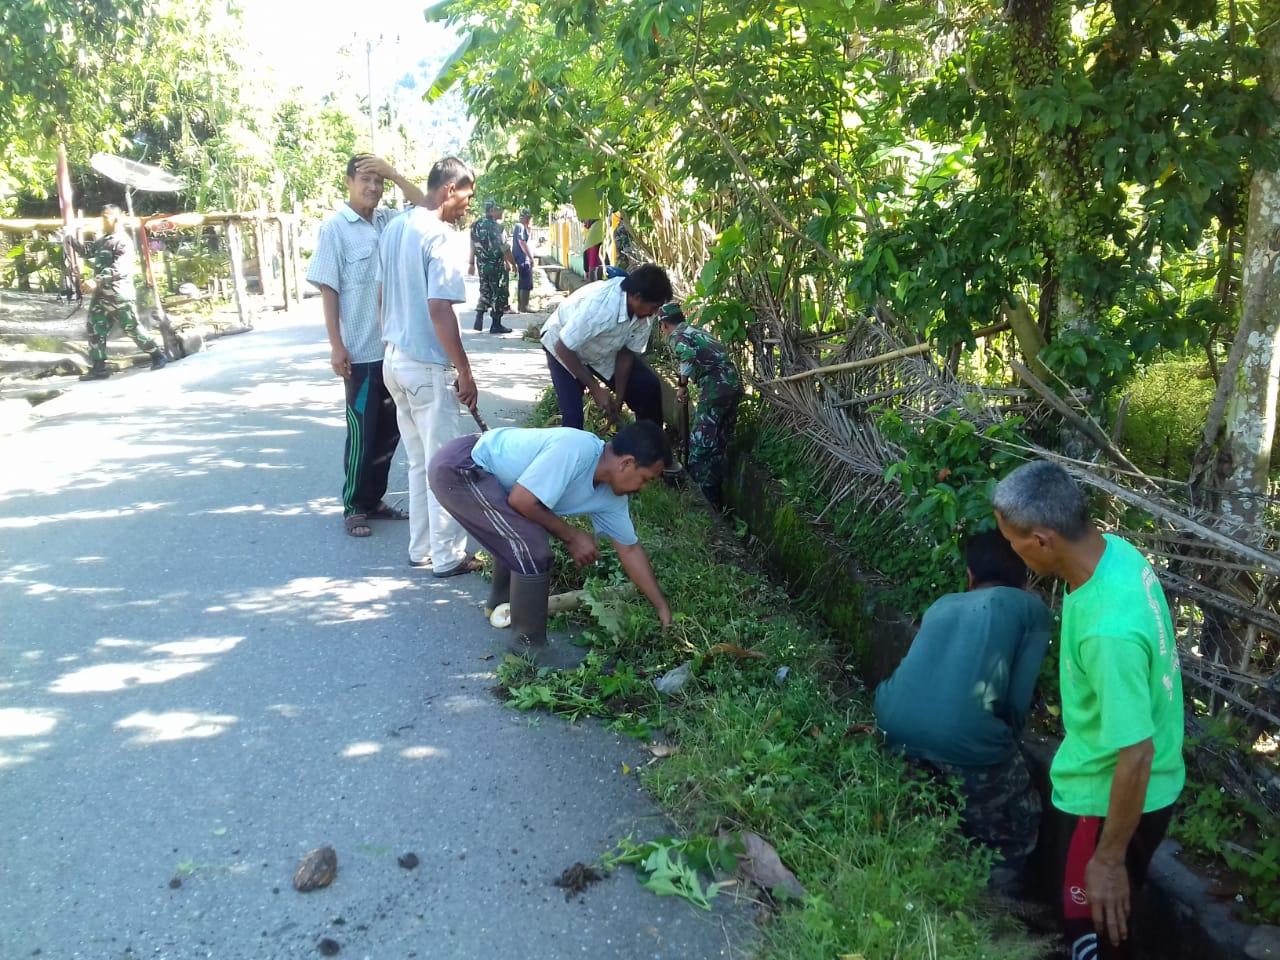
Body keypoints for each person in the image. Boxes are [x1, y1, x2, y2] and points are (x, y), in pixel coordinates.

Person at [993, 461, 1184, 960]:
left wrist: (1108, 858)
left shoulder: (1108, 634)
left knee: (1091, 933)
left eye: (1012, 541)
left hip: (1104, 800)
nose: (1011, 551)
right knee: (1110, 922)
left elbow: (1136, 754)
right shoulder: (1117, 556)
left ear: (1042, 541)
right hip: (1132, 788)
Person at [874, 530, 1052, 890]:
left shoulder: (942, 604)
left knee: (931, 801)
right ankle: (995, 902)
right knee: (1016, 828)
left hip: (891, 722)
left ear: (970, 575)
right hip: (966, 737)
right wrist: (1002, 749)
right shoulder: (1032, 610)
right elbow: (1016, 702)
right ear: (1026, 577)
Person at [429, 421, 672, 666]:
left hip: (482, 473)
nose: (642, 488)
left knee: (523, 530)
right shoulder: (577, 449)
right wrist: (572, 536)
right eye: (645, 479)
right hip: (461, 467)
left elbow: (630, 549)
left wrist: (661, 606)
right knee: (533, 545)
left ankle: (501, 605)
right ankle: (528, 646)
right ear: (627, 463)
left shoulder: (611, 497)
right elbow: (522, 500)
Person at [307, 155, 425, 538]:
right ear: (348, 182)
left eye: (379, 181)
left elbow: (427, 207)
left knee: (389, 433)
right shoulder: (335, 229)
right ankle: (354, 505)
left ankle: (374, 499)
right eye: (365, 180)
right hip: (360, 353)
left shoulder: (389, 221)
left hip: (394, 351)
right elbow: (329, 288)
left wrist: (395, 173)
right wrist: (336, 345)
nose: (373, 188)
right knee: (362, 431)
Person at [378, 156, 484, 577]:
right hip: (425, 365)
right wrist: (465, 371)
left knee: (420, 462)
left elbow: (382, 293)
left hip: (394, 361)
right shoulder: (441, 236)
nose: (466, 207)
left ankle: (422, 548)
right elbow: (440, 309)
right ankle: (448, 556)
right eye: (466, 197)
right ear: (449, 190)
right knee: (445, 463)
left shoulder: (395, 227)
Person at [540, 264, 672, 432]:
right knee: (573, 418)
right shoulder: (601, 306)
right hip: (562, 345)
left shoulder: (645, 312)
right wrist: (595, 389)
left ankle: (649, 446)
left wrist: (618, 401)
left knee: (648, 387)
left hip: (602, 348)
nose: (654, 313)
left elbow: (626, 354)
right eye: (653, 307)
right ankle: (573, 446)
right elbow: (563, 347)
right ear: (637, 297)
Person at [65, 205, 167, 380]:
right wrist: (69, 238)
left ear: (116, 219)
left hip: (118, 294)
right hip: (101, 295)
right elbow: (86, 252)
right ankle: (99, 368)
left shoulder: (123, 241)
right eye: (102, 217)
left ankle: (157, 355)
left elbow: (120, 268)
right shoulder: (104, 240)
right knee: (95, 327)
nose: (103, 221)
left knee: (131, 327)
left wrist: (95, 280)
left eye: (106, 217)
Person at [657, 302, 743, 507]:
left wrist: (682, 385)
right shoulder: (696, 331)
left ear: (664, 324)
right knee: (718, 443)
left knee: (700, 447)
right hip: (732, 385)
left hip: (715, 389)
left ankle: (703, 502)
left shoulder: (677, 335)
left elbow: (687, 355)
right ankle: (717, 499)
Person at [468, 200, 514, 335]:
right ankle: (496, 324)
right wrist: (513, 263)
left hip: (482, 265)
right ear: (492, 210)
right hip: (496, 265)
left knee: (484, 290)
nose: (502, 212)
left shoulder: (476, 225)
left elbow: (472, 245)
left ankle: (479, 313)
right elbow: (505, 248)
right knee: (498, 293)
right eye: (499, 210)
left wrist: (471, 263)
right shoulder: (498, 227)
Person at [512, 209, 534, 313]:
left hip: (520, 258)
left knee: (522, 282)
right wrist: (530, 257)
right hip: (522, 258)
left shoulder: (521, 227)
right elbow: (522, 242)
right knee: (526, 282)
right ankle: (524, 306)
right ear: (526, 218)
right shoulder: (520, 226)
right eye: (529, 218)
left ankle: (521, 306)